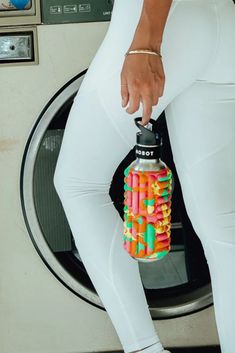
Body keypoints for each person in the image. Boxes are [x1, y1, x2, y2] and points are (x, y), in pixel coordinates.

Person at [53, 0, 235, 352]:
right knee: (223, 227)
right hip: (224, 24)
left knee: (78, 185)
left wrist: (146, 43)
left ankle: (145, 349)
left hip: (166, 27)